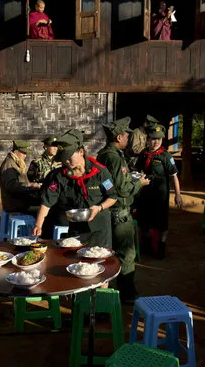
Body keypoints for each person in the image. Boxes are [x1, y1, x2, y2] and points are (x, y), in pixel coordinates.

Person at [31, 129, 117, 248]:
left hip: (99, 228)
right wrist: (38, 225)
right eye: (63, 158)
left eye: (69, 157)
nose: (66, 161)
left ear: (81, 151)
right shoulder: (59, 176)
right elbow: (46, 202)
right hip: (76, 228)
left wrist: (99, 207)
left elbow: (112, 196)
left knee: (100, 261)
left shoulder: (100, 172)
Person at [97, 117, 150, 303]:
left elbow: (108, 183)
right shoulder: (115, 158)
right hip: (119, 212)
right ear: (119, 137)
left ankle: (105, 292)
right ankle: (127, 295)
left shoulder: (103, 154)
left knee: (107, 253)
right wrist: (139, 184)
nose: (129, 137)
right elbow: (121, 189)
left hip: (106, 211)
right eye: (127, 134)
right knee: (126, 254)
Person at [134, 123, 183, 259]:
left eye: (159, 139)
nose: (155, 142)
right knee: (144, 221)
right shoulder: (143, 155)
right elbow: (137, 172)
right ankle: (147, 246)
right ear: (147, 139)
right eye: (153, 139)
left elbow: (174, 176)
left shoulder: (165, 156)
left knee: (161, 223)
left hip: (160, 196)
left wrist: (178, 195)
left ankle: (161, 247)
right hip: (144, 195)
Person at [0, 140, 41, 215]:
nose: (25, 155)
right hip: (15, 204)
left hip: (20, 200)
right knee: (43, 209)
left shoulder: (17, 163)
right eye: (23, 153)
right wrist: (29, 185)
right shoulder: (10, 164)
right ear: (15, 152)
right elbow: (11, 185)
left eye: (26, 153)